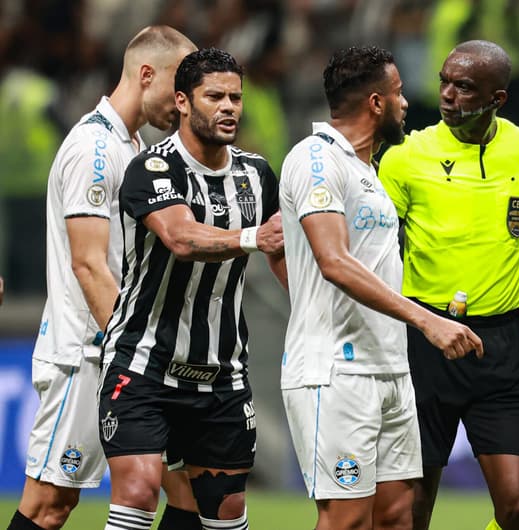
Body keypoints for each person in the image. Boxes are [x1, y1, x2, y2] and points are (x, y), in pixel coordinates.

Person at [378, 39, 519, 530]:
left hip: (501, 346)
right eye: (444, 82)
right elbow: (371, 244)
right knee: (410, 511)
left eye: (464, 87)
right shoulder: (404, 157)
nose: (447, 95)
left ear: (496, 99)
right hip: (426, 342)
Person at [279, 45, 483, 530]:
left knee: (396, 517)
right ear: (375, 103)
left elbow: (278, 243)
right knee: (347, 519)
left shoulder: (366, 172)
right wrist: (425, 319)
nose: (406, 103)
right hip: (337, 371)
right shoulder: (315, 158)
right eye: (398, 93)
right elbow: (332, 261)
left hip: (389, 366)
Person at [7, 26, 201, 530]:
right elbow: (89, 264)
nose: (184, 104)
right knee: (51, 504)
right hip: (88, 353)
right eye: (178, 88)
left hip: (124, 348)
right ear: (145, 74)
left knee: (187, 490)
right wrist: (132, 350)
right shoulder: (94, 148)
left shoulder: (133, 147)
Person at [97, 47, 285, 530]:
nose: (229, 107)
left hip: (221, 373)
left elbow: (280, 249)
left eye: (236, 98)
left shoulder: (256, 174)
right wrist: (251, 238)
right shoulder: (152, 169)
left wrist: (309, 306)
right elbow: (181, 238)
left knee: (223, 509)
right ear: (182, 101)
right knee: (139, 490)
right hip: (143, 364)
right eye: (215, 96)